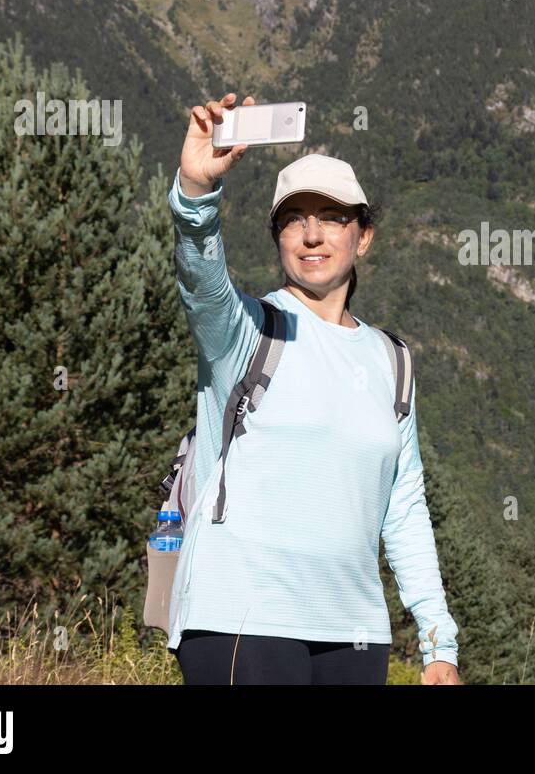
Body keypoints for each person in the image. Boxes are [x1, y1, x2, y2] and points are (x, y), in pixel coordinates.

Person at [165, 92, 460, 685]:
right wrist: (197, 192)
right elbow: (201, 277)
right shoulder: (244, 330)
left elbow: (402, 510)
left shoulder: (392, 361)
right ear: (277, 237)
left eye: (331, 218)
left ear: (364, 236)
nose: (312, 234)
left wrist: (438, 644)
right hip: (240, 618)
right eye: (294, 219)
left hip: (353, 633)